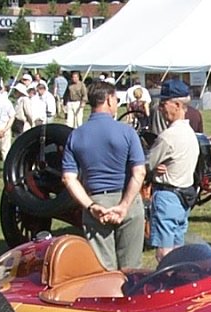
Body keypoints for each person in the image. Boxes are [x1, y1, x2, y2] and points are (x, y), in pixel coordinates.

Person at [61, 80, 147, 270]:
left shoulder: (76, 136)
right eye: (116, 99)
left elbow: (68, 178)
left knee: (104, 270)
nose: (117, 103)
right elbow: (139, 172)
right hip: (128, 199)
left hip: (96, 201)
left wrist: (90, 206)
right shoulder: (127, 132)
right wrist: (124, 205)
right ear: (108, 100)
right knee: (131, 270)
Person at [145, 79, 200, 262]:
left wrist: (153, 171)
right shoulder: (190, 133)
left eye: (163, 104)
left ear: (177, 105)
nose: (160, 109)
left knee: (164, 254)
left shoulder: (168, 137)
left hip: (167, 196)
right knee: (178, 251)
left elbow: (146, 165)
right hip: (184, 196)